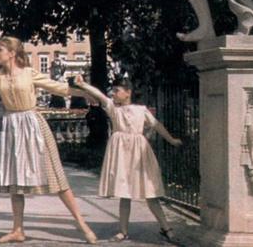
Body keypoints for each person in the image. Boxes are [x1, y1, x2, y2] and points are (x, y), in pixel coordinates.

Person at [0, 19, 97, 243]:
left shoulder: (29, 73)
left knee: (55, 176)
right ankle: (18, 229)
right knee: (15, 181)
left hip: (33, 124)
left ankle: (81, 223)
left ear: (13, 53)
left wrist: (86, 94)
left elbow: (59, 87)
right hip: (12, 127)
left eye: (0, 50)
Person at [74, 75, 182, 243]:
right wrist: (83, 85)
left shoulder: (141, 110)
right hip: (122, 154)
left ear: (128, 93)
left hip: (139, 154)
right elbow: (100, 95)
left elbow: (156, 125)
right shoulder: (113, 109)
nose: (114, 94)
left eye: (117, 91)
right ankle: (123, 231)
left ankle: (166, 227)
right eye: (113, 91)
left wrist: (171, 139)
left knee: (150, 193)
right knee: (124, 193)